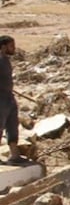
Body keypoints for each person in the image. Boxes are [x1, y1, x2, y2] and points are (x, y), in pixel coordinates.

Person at [0, 36, 28, 165]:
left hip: (8, 97)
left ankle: (15, 155)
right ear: (3, 46)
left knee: (12, 126)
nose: (14, 48)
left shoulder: (5, 60)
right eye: (11, 46)